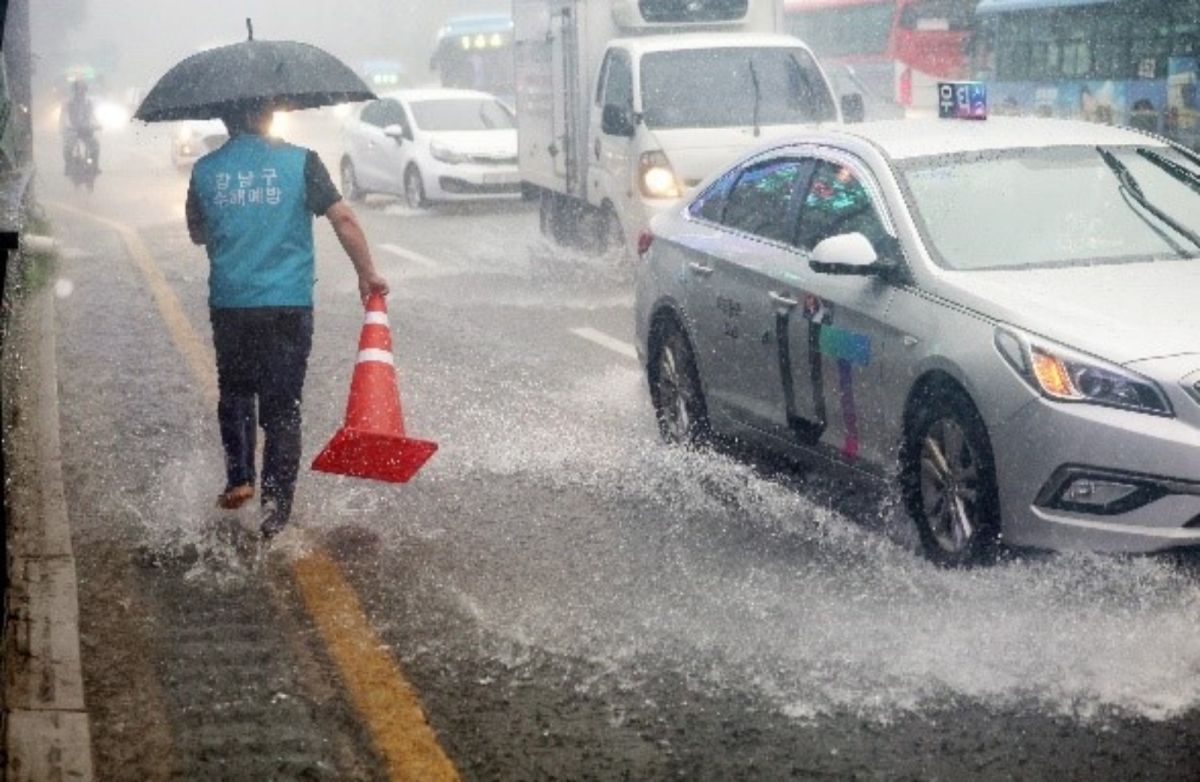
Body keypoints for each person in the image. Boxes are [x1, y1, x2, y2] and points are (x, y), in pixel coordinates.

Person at [186, 100, 388, 538]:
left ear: (226, 120)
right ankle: (275, 516)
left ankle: (240, 477)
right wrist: (367, 274)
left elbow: (198, 233)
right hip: (287, 306)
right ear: (271, 116)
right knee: (282, 410)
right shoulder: (302, 162)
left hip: (231, 303)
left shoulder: (204, 170)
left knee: (236, 390)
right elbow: (344, 219)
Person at [62, 79, 100, 174]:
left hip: (86, 130)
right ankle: (68, 165)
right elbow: (65, 116)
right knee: (68, 147)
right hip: (73, 130)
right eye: (79, 89)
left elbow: (93, 116)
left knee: (96, 145)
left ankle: (95, 165)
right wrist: (68, 126)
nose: (81, 92)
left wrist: (97, 124)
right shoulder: (68, 102)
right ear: (74, 91)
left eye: (83, 89)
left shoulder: (89, 102)